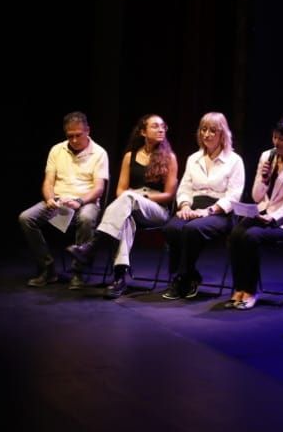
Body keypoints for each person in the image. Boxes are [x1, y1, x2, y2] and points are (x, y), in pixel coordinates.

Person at [71, 114, 178, 298]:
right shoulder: (130, 157)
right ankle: (119, 279)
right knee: (125, 219)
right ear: (143, 132)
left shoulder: (169, 157)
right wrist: (132, 197)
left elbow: (169, 195)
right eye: (155, 126)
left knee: (129, 197)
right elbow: (119, 191)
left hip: (157, 209)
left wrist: (142, 196)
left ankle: (94, 244)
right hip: (129, 206)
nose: (161, 130)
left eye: (163, 126)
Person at [226, 116, 283, 311]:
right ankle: (238, 288)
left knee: (250, 237)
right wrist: (264, 178)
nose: (276, 142)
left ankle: (250, 291)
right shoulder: (267, 156)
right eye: (274, 137)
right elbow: (257, 197)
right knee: (235, 235)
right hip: (263, 212)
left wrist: (273, 218)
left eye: (281, 139)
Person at [17, 112, 108, 289]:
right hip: (59, 202)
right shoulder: (57, 150)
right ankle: (48, 269)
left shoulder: (99, 153)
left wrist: (80, 202)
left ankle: (78, 273)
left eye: (78, 135)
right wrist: (50, 198)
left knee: (87, 218)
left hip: (85, 202)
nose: (74, 140)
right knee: (26, 218)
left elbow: (98, 188)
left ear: (88, 130)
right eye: (70, 136)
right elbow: (48, 181)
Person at [160, 112, 246, 301]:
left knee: (191, 230)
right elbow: (185, 187)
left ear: (222, 134)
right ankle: (191, 276)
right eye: (203, 129)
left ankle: (181, 278)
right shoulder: (193, 158)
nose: (206, 134)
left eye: (212, 131)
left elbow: (233, 196)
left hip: (220, 212)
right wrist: (184, 206)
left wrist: (208, 211)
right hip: (194, 206)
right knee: (172, 228)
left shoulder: (234, 160)